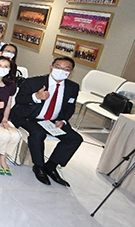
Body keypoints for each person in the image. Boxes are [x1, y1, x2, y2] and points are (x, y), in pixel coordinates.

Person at [10, 57, 82, 187]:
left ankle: (51, 166)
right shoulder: (33, 82)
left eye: (66, 69)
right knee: (38, 133)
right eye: (58, 67)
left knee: (75, 139)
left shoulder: (73, 87)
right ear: (51, 67)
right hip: (28, 117)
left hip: (53, 120)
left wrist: (63, 120)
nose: (61, 71)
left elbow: (70, 106)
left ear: (71, 72)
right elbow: (20, 99)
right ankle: (39, 166)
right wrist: (36, 97)